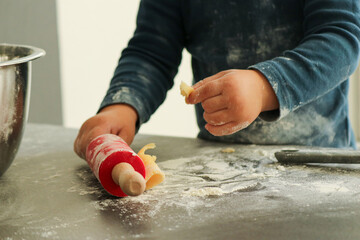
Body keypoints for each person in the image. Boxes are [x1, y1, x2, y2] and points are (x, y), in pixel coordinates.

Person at [74, 0, 360, 159]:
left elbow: (341, 38)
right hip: (221, 163)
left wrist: (264, 87)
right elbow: (152, 52)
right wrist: (123, 107)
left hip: (319, 161)